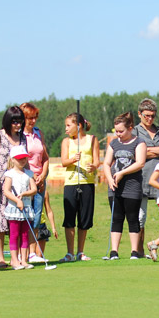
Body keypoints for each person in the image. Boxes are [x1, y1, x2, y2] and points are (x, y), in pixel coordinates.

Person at [0, 106, 28, 268]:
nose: (17, 125)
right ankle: (0, 258)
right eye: (14, 122)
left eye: (20, 122)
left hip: (19, 186)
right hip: (1, 185)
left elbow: (25, 160)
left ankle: (15, 257)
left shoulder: (22, 138)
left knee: (16, 222)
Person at [102, 112, 146, 260]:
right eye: (116, 131)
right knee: (116, 217)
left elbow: (140, 163)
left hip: (132, 186)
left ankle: (134, 251)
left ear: (130, 128)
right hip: (115, 186)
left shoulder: (139, 142)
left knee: (133, 218)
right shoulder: (114, 143)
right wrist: (109, 177)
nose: (118, 134)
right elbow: (107, 163)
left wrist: (122, 173)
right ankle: (114, 251)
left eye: (121, 131)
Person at [60, 112, 99, 262]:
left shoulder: (92, 139)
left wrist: (93, 166)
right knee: (70, 218)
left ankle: (80, 252)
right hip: (71, 182)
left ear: (79, 125)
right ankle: (69, 253)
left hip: (87, 183)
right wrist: (72, 159)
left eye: (68, 125)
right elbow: (63, 161)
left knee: (84, 218)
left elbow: (97, 161)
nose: (66, 129)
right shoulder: (66, 142)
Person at [20, 102, 50, 263]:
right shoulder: (18, 135)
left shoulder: (38, 133)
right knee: (24, 216)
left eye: (35, 117)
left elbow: (45, 157)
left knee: (37, 217)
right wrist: (30, 177)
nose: (32, 121)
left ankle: (32, 252)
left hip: (39, 180)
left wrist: (43, 175)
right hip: (24, 180)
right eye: (29, 118)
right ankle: (21, 252)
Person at [134, 98, 159, 257]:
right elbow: (135, 153)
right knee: (140, 217)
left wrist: (147, 151)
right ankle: (139, 251)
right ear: (139, 114)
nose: (149, 119)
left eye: (152, 116)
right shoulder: (135, 132)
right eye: (146, 116)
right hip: (141, 179)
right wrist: (158, 151)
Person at [2, 145, 37, 269]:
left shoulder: (29, 173)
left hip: (26, 208)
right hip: (14, 209)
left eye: (24, 158)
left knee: (24, 234)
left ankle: (24, 260)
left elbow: (34, 189)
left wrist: (25, 194)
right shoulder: (9, 174)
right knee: (14, 234)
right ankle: (14, 260)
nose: (22, 160)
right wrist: (17, 200)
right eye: (19, 158)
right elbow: (6, 191)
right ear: (12, 159)